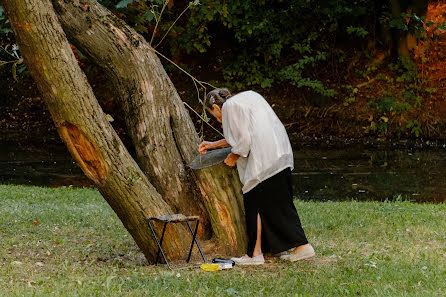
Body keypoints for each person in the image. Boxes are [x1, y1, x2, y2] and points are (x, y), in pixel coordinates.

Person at [198, 88, 315, 265]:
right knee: (277, 204)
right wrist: (213, 145)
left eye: (213, 115)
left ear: (215, 106)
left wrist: (233, 156)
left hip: (263, 162)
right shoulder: (247, 98)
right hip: (279, 154)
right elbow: (244, 134)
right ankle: (268, 250)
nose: (216, 119)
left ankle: (259, 254)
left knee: (255, 204)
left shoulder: (229, 107)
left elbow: (243, 141)